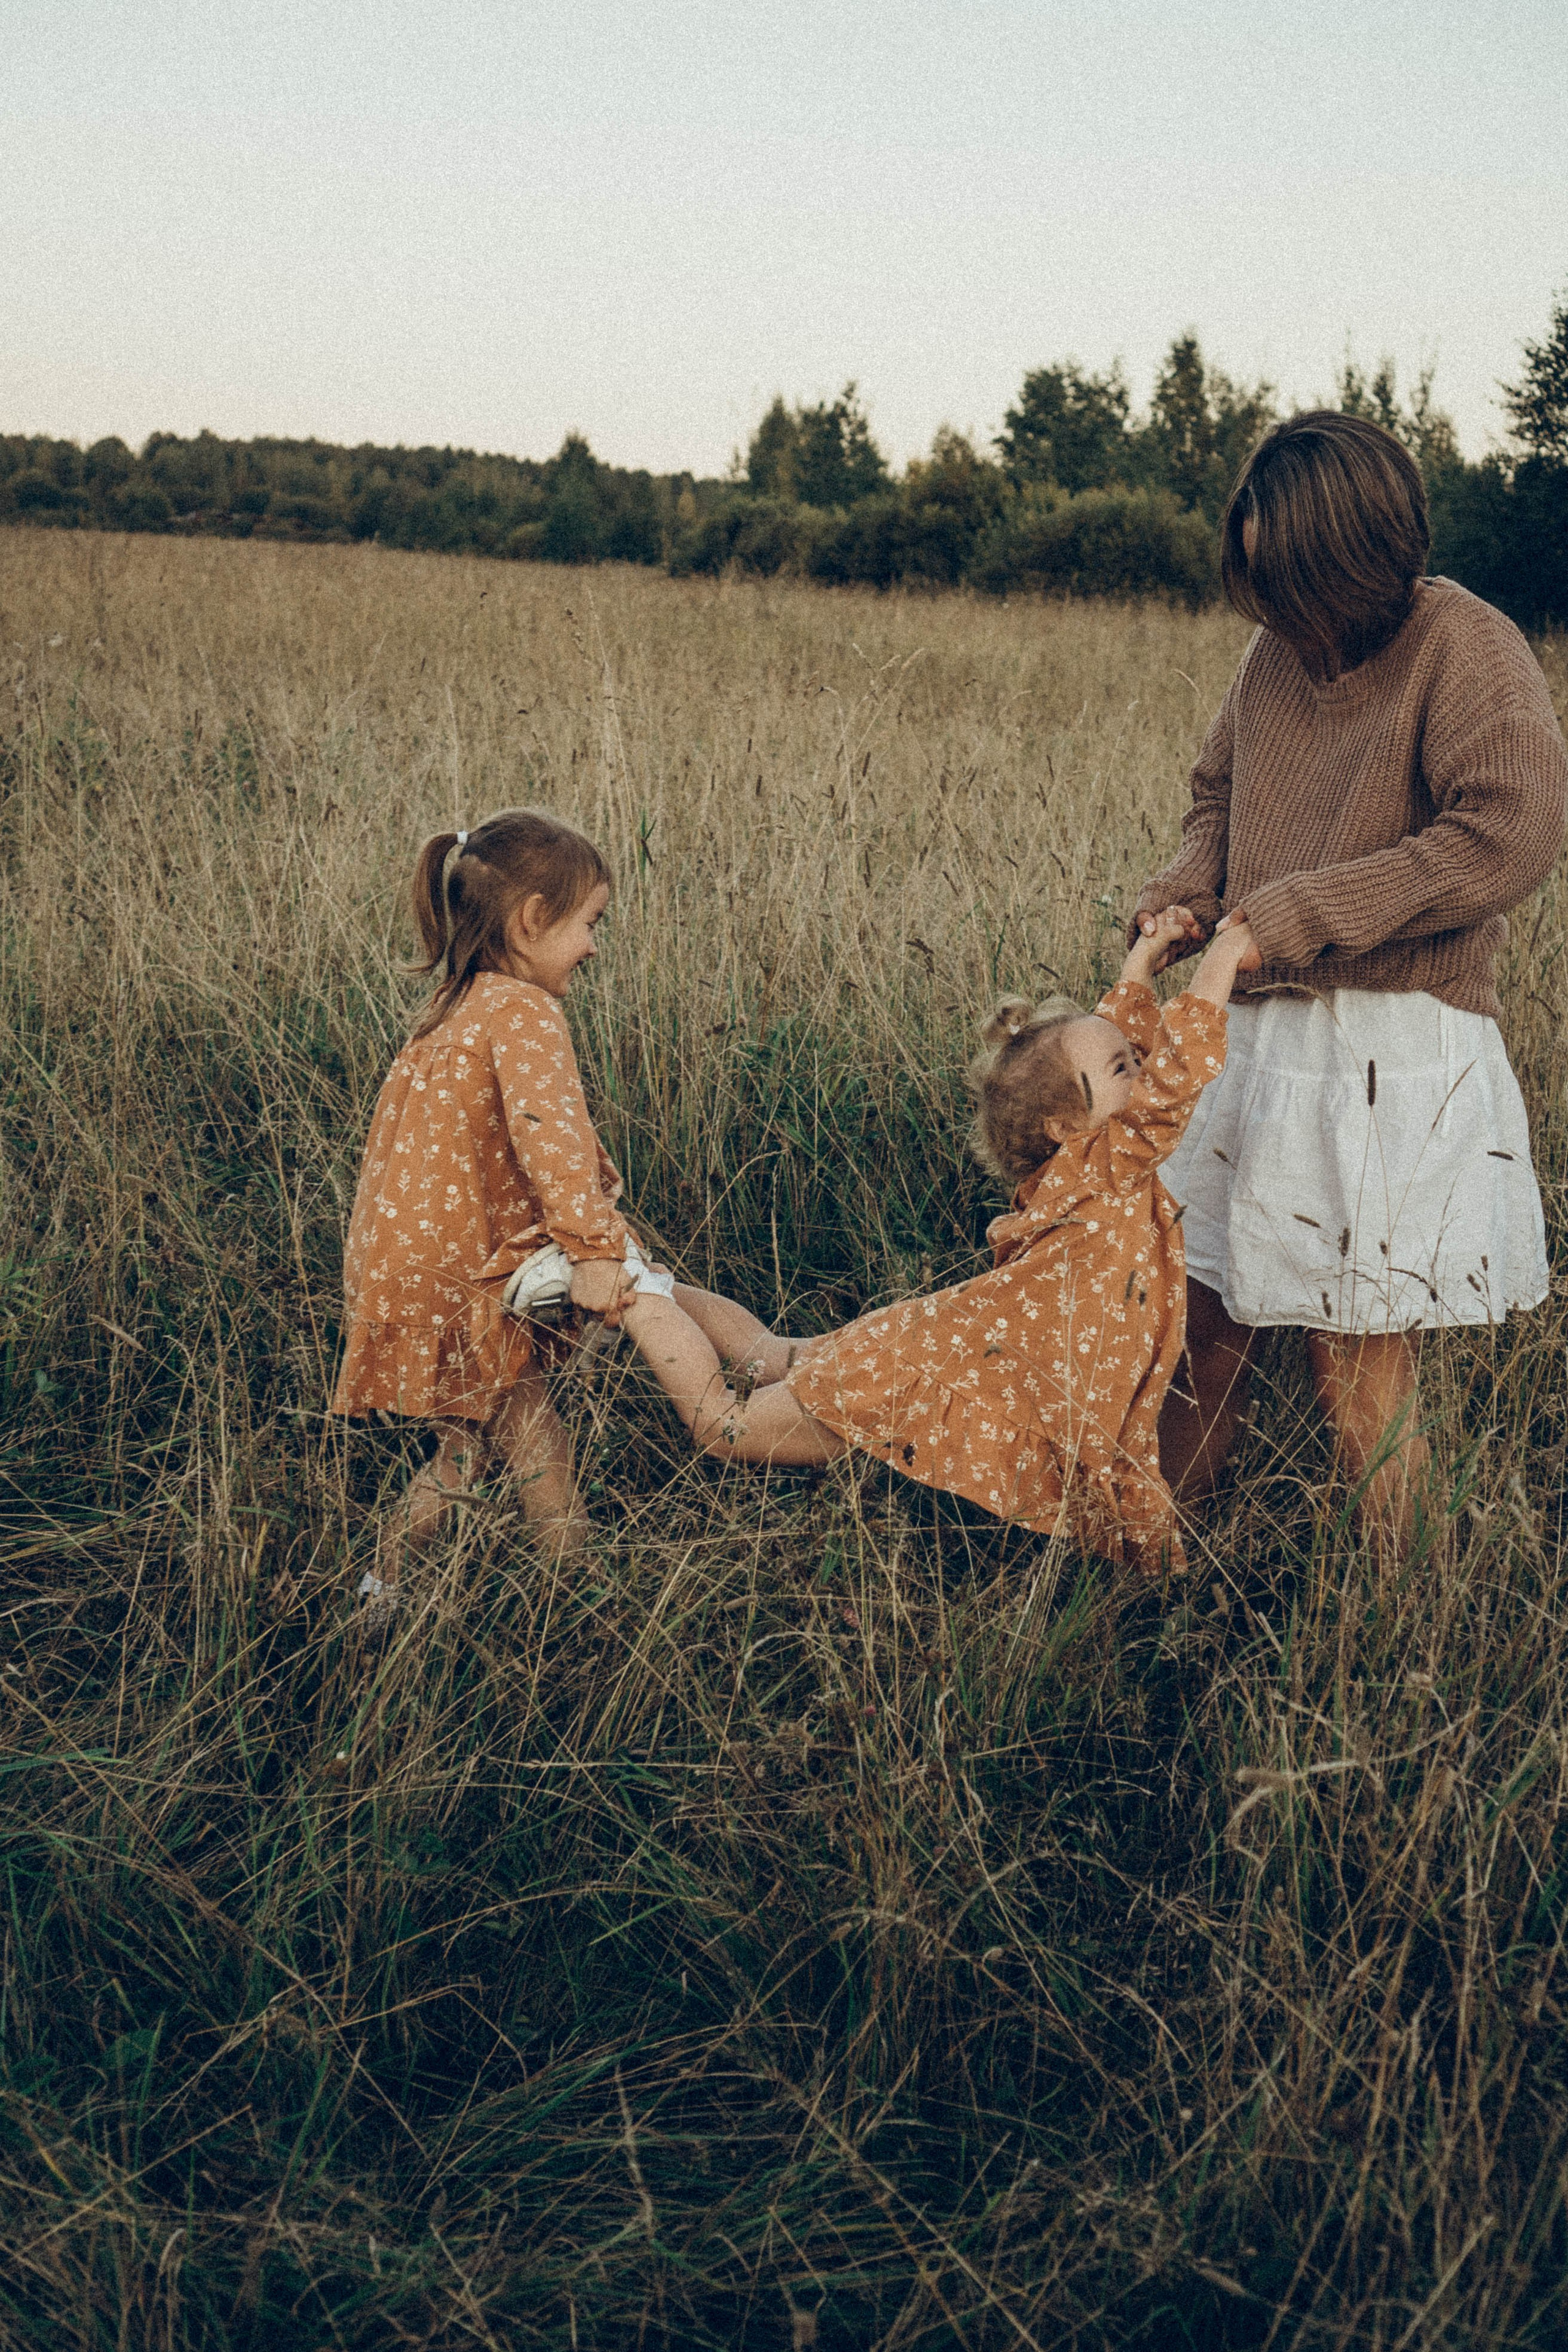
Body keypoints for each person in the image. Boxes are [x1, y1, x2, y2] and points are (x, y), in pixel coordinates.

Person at [1128, 410, 1568, 1553]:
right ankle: (1157, 1573)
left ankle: (1402, 1615)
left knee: (1353, 1356)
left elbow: (1508, 835)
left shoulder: (1462, 643)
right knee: (1204, 1323)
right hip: (1259, 1038)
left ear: (1354, 553)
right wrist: (1190, 891)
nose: (1271, 598)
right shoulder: (1274, 655)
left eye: (1289, 570)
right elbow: (1218, 795)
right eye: (1256, 568)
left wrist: (1283, 919)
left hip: (1390, 1048)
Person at [598, 912, 1259, 1575]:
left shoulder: (1087, 1165)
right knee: (723, 1425)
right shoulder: (1105, 1166)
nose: (1142, 1072)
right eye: (1124, 1069)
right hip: (932, 1366)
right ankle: (632, 1293)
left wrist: (1141, 964)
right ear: (1066, 1125)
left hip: (942, 1346)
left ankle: (650, 1279)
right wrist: (1222, 957)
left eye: (1135, 1063)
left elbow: (1128, 1049)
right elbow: (1173, 1082)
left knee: (768, 1354)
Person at [331, 807, 696, 1587]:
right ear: (533, 921)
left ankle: (380, 1593)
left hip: (413, 1275)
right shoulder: (525, 1012)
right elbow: (550, 1138)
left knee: (467, 1455)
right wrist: (596, 1252)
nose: (596, 945)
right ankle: (578, 1598)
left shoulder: (451, 1012)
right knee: (540, 1447)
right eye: (590, 922)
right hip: (465, 1284)